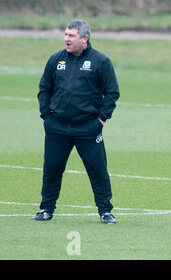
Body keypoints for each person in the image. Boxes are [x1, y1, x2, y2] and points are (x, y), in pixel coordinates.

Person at [32, 19, 120, 224]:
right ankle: (46, 209)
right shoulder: (56, 60)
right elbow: (44, 88)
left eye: (71, 36)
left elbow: (112, 93)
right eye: (65, 34)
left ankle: (105, 211)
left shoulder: (101, 61)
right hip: (57, 126)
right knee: (52, 168)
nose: (66, 39)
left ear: (85, 38)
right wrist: (46, 115)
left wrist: (101, 120)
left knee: (97, 169)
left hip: (88, 127)